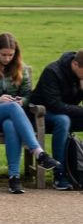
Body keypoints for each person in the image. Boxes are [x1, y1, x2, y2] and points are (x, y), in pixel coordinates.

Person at [0, 33, 59, 194]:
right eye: (3, 54)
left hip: (11, 117)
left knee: (10, 124)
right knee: (12, 108)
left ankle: (14, 178)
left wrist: (21, 101)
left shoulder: (19, 67)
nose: (7, 58)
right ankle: (38, 152)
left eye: (10, 55)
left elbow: (27, 95)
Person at [29, 48, 83, 190]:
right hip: (42, 114)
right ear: (75, 64)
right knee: (63, 120)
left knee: (64, 119)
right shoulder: (52, 72)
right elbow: (55, 105)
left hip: (66, 113)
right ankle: (59, 175)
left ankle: (79, 172)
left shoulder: (79, 76)